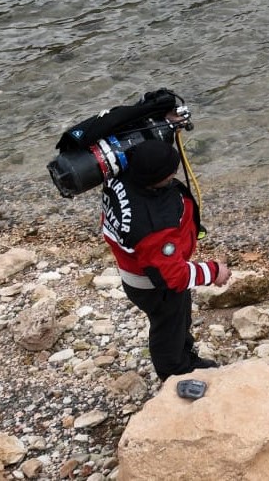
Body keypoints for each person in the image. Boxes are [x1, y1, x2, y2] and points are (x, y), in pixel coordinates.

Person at [100, 138, 230, 381]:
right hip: (153, 287)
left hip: (136, 271)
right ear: (156, 179)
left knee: (179, 318)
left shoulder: (121, 174)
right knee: (167, 326)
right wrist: (214, 271)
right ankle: (175, 373)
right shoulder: (153, 225)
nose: (175, 173)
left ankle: (185, 353)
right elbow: (174, 277)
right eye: (171, 174)